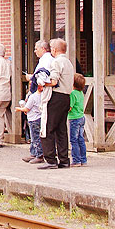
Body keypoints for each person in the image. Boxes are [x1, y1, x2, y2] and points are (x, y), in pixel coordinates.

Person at [40, 38, 74, 169]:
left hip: (55, 97)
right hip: (66, 97)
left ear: (54, 49)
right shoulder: (68, 62)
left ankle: (50, 160)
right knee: (61, 130)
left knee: (48, 127)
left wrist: (42, 82)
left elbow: (54, 81)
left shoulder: (56, 62)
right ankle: (64, 159)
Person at [17, 87, 43, 164]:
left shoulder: (33, 96)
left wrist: (19, 109)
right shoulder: (43, 95)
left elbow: (27, 108)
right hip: (40, 117)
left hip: (33, 118)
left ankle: (39, 155)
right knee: (36, 137)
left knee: (35, 138)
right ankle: (34, 153)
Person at [69, 73, 87, 167]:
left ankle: (76, 160)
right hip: (81, 117)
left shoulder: (72, 94)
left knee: (73, 140)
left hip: (74, 118)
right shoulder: (80, 93)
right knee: (81, 139)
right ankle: (83, 159)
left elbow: (70, 107)